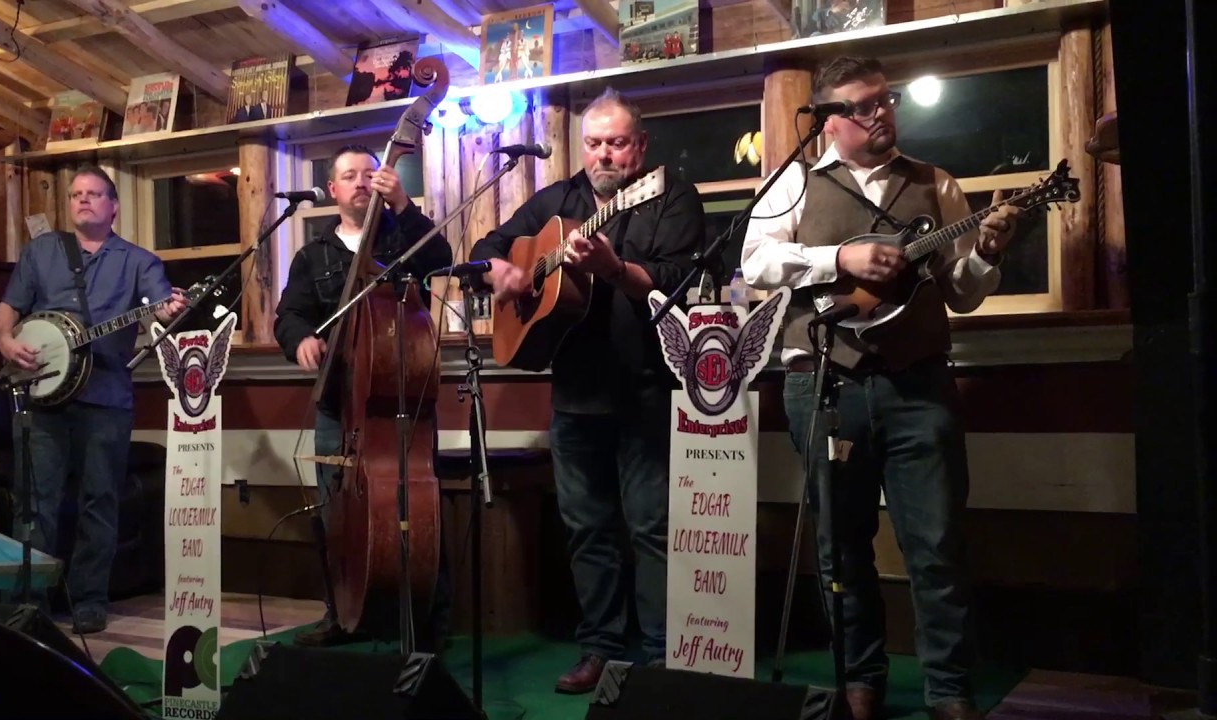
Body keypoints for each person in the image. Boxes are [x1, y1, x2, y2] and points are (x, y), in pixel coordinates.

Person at [740, 56, 1022, 720]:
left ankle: (949, 690)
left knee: (937, 543)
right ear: (830, 122)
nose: (881, 114)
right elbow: (755, 261)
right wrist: (839, 257)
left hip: (919, 384)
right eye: (864, 107)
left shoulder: (937, 184)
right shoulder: (794, 185)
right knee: (841, 546)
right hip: (826, 386)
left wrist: (986, 253)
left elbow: (962, 294)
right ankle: (859, 682)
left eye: (885, 101)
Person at [469, 87, 706, 693]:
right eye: (595, 143)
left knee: (651, 526)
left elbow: (682, 278)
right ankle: (599, 647)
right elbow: (487, 248)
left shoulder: (669, 196)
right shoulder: (558, 200)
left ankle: (657, 657)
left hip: (646, 388)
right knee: (588, 528)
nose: (604, 155)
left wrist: (615, 271)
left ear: (641, 145)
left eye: (618, 143)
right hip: (574, 392)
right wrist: (504, 269)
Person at [273, 144, 453, 650]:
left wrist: (403, 206)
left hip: (400, 402)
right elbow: (289, 316)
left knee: (417, 510)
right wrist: (301, 339)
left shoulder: (402, 239)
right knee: (337, 513)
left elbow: (443, 260)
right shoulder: (313, 256)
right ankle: (342, 614)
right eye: (348, 175)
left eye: (369, 174)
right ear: (332, 190)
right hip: (340, 405)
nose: (359, 182)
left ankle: (426, 624)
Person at [0, 166, 188, 634]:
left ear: (113, 206)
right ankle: (29, 603)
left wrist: (167, 310)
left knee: (99, 499)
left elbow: (160, 309)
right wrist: (5, 342)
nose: (83, 200)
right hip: (42, 394)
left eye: (94, 194)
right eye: (77, 193)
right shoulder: (41, 252)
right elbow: (8, 309)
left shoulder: (139, 261)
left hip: (106, 396)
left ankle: (89, 601)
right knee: (35, 501)